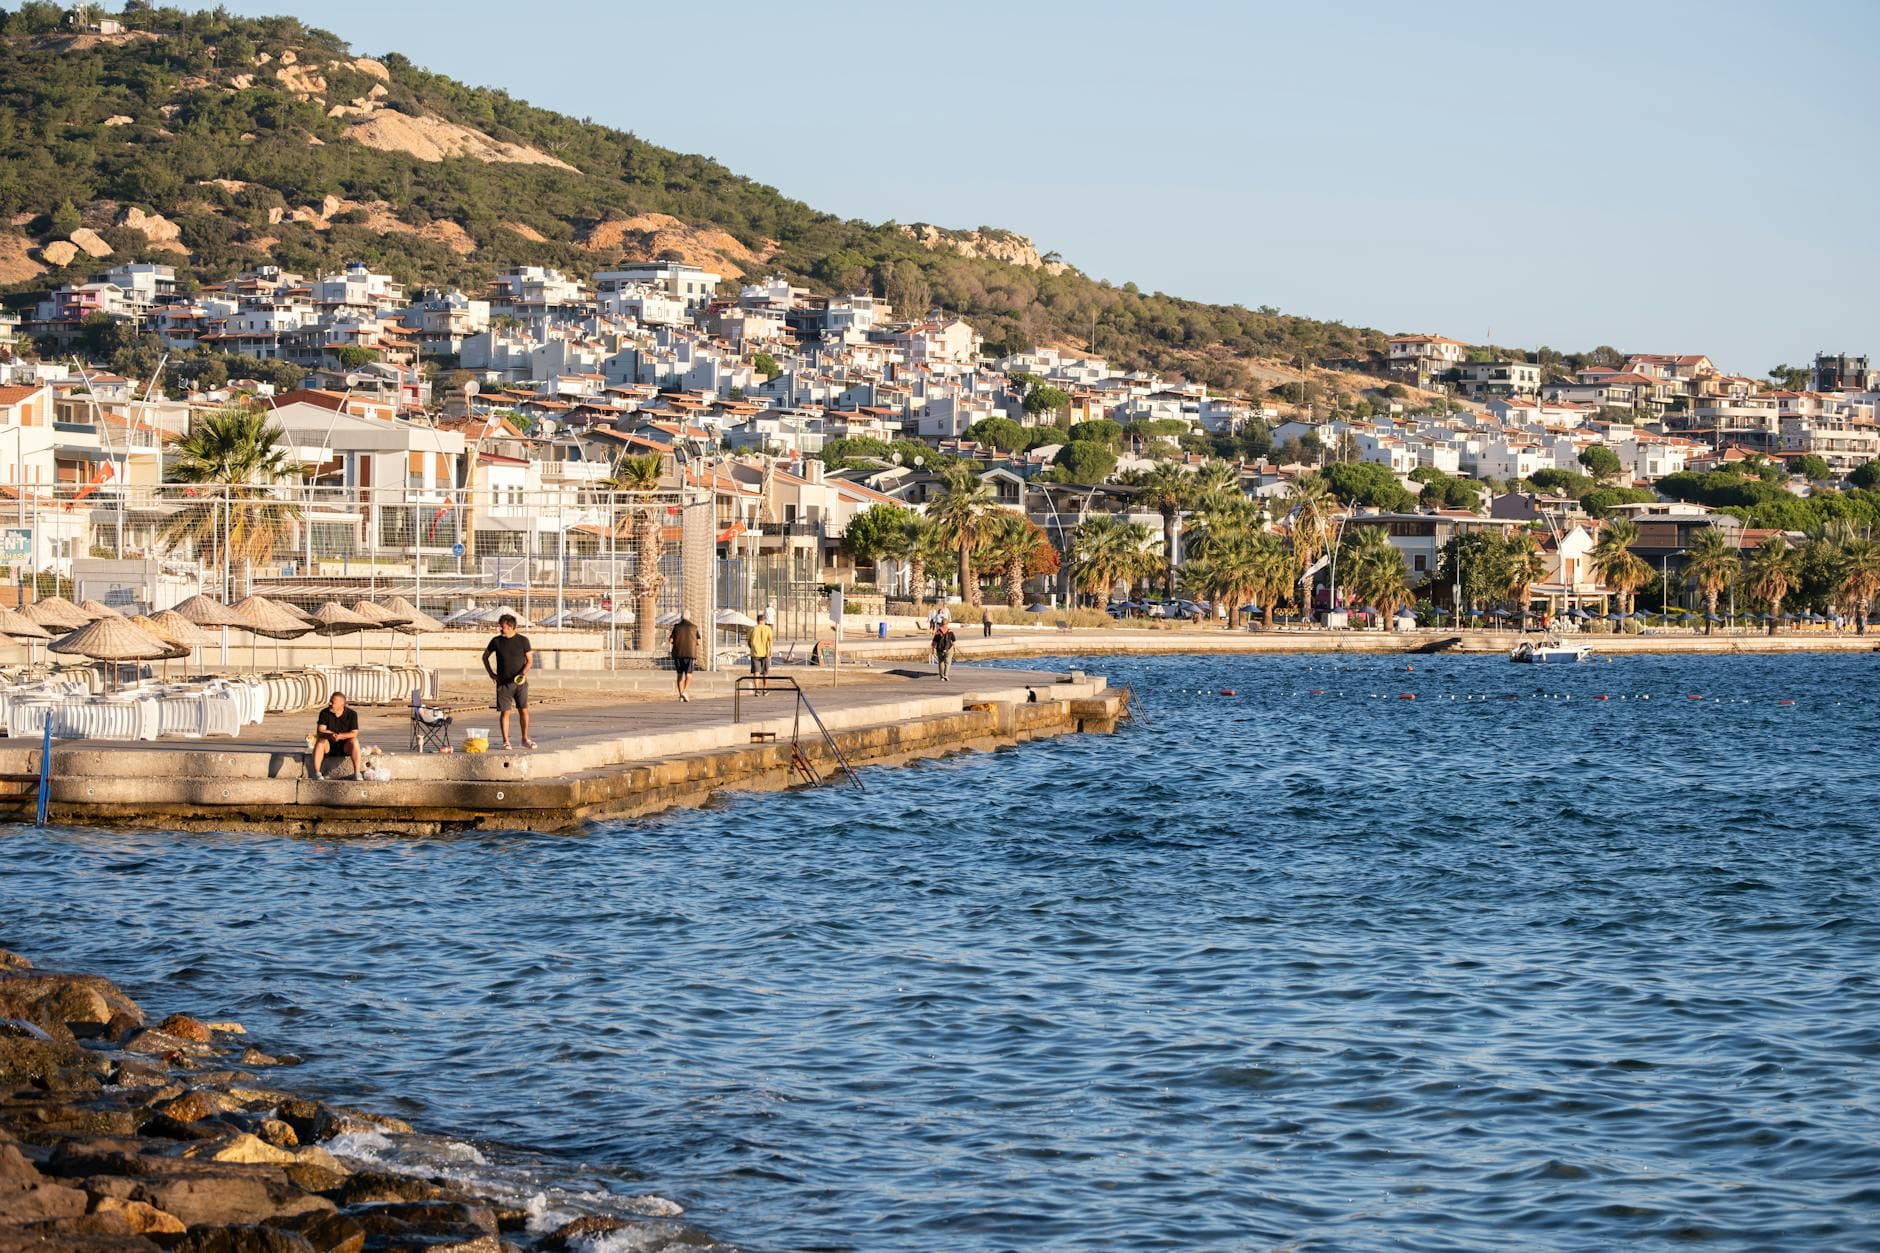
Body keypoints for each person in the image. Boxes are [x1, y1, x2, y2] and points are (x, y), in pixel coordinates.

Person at [481, 614, 534, 750]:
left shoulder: (523, 641)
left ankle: (525, 738)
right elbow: (485, 656)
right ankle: (506, 741)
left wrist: (522, 674)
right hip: (503, 683)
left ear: (510, 627)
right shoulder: (496, 641)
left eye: (502, 627)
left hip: (520, 682)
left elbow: (529, 661)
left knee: (524, 710)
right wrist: (491, 673)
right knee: (505, 712)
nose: (500, 629)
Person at [310, 691, 363, 780]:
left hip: (345, 746)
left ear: (342, 704)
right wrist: (331, 735)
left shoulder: (352, 714)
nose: (330, 704)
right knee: (320, 740)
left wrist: (341, 736)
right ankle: (317, 773)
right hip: (328, 746)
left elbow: (354, 733)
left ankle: (357, 773)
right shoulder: (324, 713)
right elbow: (320, 730)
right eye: (330, 701)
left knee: (354, 740)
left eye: (333, 702)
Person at [670, 614, 701, 701]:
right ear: (689, 617)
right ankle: (685, 692)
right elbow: (698, 642)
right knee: (689, 675)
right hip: (690, 654)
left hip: (678, 654)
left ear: (681, 617)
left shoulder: (676, 627)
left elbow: (670, 640)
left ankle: (681, 695)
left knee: (679, 675)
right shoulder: (694, 627)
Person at [748, 610, 774, 694]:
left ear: (757, 621)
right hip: (765, 653)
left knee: (756, 672)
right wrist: (770, 651)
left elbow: (749, 641)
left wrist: (752, 648)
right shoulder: (768, 629)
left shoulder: (753, 629)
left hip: (755, 653)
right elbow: (770, 641)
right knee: (765, 673)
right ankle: (765, 689)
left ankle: (756, 690)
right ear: (764, 620)